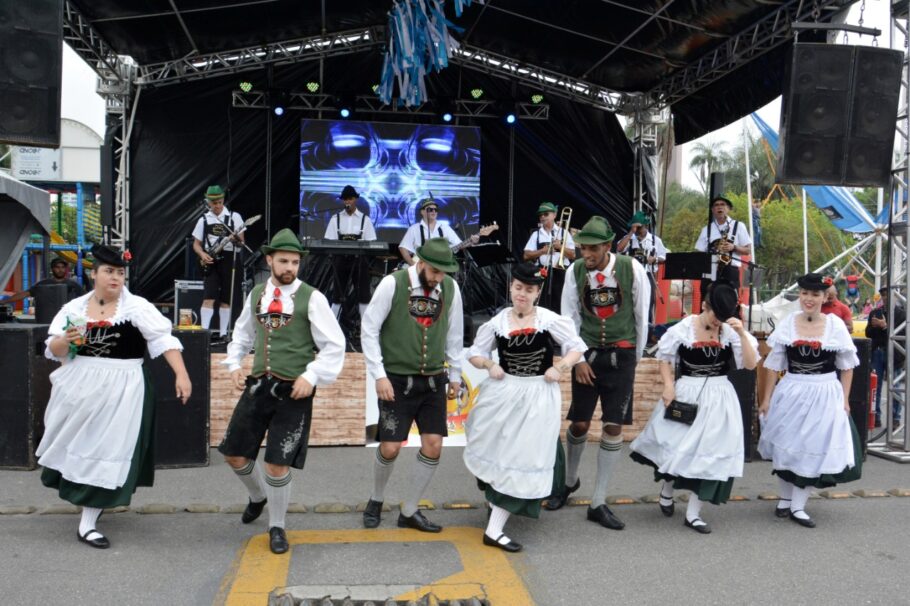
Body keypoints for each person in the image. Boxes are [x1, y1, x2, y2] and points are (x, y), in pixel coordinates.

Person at [36, 244, 192, 549]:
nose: (116, 278)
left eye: (120, 273)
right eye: (109, 271)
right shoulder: (75, 310)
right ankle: (87, 508)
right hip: (79, 387)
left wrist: (181, 374)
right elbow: (54, 351)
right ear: (94, 274)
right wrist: (63, 340)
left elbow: (162, 339)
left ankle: (87, 522)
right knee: (79, 446)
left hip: (123, 387)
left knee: (106, 449)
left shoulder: (136, 308)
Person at [220, 229, 345, 554]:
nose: (289, 267)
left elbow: (334, 345)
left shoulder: (312, 298)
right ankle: (258, 496)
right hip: (259, 384)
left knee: (276, 464)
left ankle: (277, 525)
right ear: (269, 260)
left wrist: (312, 375)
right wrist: (234, 365)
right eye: (283, 261)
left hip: (295, 392)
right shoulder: (256, 294)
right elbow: (243, 334)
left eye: (294, 262)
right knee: (234, 454)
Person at [463, 263, 586, 552]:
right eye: (518, 288)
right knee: (499, 451)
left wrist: (563, 366)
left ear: (537, 293)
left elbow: (576, 345)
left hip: (538, 394)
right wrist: (490, 363)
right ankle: (495, 508)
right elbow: (475, 353)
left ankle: (494, 529)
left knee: (523, 458)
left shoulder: (548, 319)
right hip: (504, 393)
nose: (522, 294)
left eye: (529, 290)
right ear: (511, 288)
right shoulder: (498, 322)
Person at [544, 216, 650, 532]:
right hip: (587, 353)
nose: (585, 254)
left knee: (613, 425)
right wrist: (576, 360)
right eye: (582, 248)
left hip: (623, 353)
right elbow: (569, 319)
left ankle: (598, 500)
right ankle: (570, 481)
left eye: (591, 248)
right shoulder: (575, 271)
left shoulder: (632, 268)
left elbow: (642, 315)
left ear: (606, 246)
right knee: (578, 422)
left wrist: (636, 358)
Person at [629, 282, 758, 534]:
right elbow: (665, 358)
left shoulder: (730, 331)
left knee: (711, 453)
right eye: (715, 316)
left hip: (720, 396)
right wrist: (668, 386)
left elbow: (751, 366)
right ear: (703, 306)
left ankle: (693, 513)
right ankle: (667, 489)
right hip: (687, 391)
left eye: (723, 317)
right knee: (676, 448)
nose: (718, 322)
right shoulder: (682, 329)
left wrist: (742, 334)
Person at [360, 237, 464, 533]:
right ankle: (376, 498)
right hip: (395, 379)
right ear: (419, 262)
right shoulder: (392, 284)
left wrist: (455, 376)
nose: (438, 278)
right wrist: (378, 375)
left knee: (433, 446)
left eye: (443, 272)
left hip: (433, 379)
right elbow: (369, 328)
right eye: (434, 271)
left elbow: (455, 335)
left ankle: (409, 509)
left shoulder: (451, 289)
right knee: (391, 447)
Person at [758, 273, 862, 528]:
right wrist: (766, 398)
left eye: (815, 295)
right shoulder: (788, 323)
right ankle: (784, 498)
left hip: (824, 390)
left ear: (824, 297)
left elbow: (847, 366)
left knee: (812, 447)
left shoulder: (835, 325)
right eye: (805, 293)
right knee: (786, 444)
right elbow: (774, 364)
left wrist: (845, 400)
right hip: (792, 388)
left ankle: (798, 505)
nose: (808, 299)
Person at [192, 185, 244, 339]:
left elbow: (241, 244)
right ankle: (203, 334)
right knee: (209, 296)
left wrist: (236, 240)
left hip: (229, 258)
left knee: (226, 298)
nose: (218, 206)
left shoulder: (234, 217)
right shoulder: (203, 219)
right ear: (208, 202)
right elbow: (196, 244)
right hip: (210, 260)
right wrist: (202, 255)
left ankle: (223, 335)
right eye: (214, 203)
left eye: (220, 202)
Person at [323, 185, 377, 319]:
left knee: (363, 295)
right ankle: (332, 327)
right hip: (340, 261)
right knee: (337, 295)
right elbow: (329, 241)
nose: (348, 201)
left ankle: (365, 329)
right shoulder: (335, 219)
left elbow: (372, 243)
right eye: (345, 199)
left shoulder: (365, 220)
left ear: (355, 200)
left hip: (359, 261)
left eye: (350, 198)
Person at [694, 196, 752, 298]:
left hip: (730, 271)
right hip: (710, 272)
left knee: (729, 303)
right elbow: (699, 253)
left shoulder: (738, 226)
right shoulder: (706, 229)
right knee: (707, 302)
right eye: (716, 205)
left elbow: (748, 250)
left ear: (728, 208)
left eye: (722, 205)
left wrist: (734, 247)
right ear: (712, 210)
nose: (719, 207)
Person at [616, 210, 668, 324]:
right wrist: (631, 233)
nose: (637, 230)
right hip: (631, 275)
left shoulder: (655, 240)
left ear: (645, 226)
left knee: (647, 303)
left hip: (648, 275)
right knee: (629, 302)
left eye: (639, 227)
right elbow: (619, 249)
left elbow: (664, 257)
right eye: (635, 228)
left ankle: (647, 329)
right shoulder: (630, 238)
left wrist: (655, 259)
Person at [523, 202, 576, 311]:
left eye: (546, 214)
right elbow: (526, 255)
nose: (542, 217)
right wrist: (542, 251)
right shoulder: (536, 234)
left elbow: (573, 255)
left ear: (554, 215)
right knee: (542, 303)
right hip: (542, 272)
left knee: (561, 303)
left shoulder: (563, 232)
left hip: (561, 273)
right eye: (540, 215)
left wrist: (560, 247)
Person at [866, 286, 905, 429]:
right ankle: (875, 416)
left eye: (888, 295)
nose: (885, 298)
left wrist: (884, 326)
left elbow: (901, 334)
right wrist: (876, 326)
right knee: (875, 385)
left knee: (895, 386)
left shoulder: (902, 314)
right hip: (878, 351)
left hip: (895, 352)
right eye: (883, 295)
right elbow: (868, 333)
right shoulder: (875, 312)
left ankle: (896, 417)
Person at [398, 198, 474, 266]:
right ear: (422, 212)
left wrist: (471, 241)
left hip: (438, 268)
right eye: (430, 209)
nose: (434, 212)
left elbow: (459, 245)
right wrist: (412, 264)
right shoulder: (414, 229)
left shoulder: (445, 228)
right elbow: (403, 247)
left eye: (436, 210)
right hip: (420, 266)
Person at [2, 256, 84, 306]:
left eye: (62, 267)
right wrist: (5, 301)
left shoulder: (73, 285)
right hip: (47, 319)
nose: (60, 270)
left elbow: (86, 298)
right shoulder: (43, 284)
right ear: (52, 269)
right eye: (57, 267)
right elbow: (25, 294)